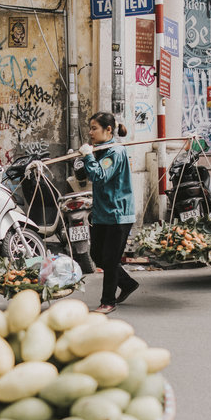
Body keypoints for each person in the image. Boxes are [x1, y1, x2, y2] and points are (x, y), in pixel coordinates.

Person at [79, 112, 139, 314]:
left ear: (108, 130)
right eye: (91, 128)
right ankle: (128, 283)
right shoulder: (101, 151)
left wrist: (88, 156)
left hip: (118, 214)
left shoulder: (115, 152)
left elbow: (99, 176)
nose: (90, 132)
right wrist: (86, 157)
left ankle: (108, 301)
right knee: (97, 254)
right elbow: (87, 172)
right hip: (102, 213)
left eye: (94, 128)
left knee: (111, 259)